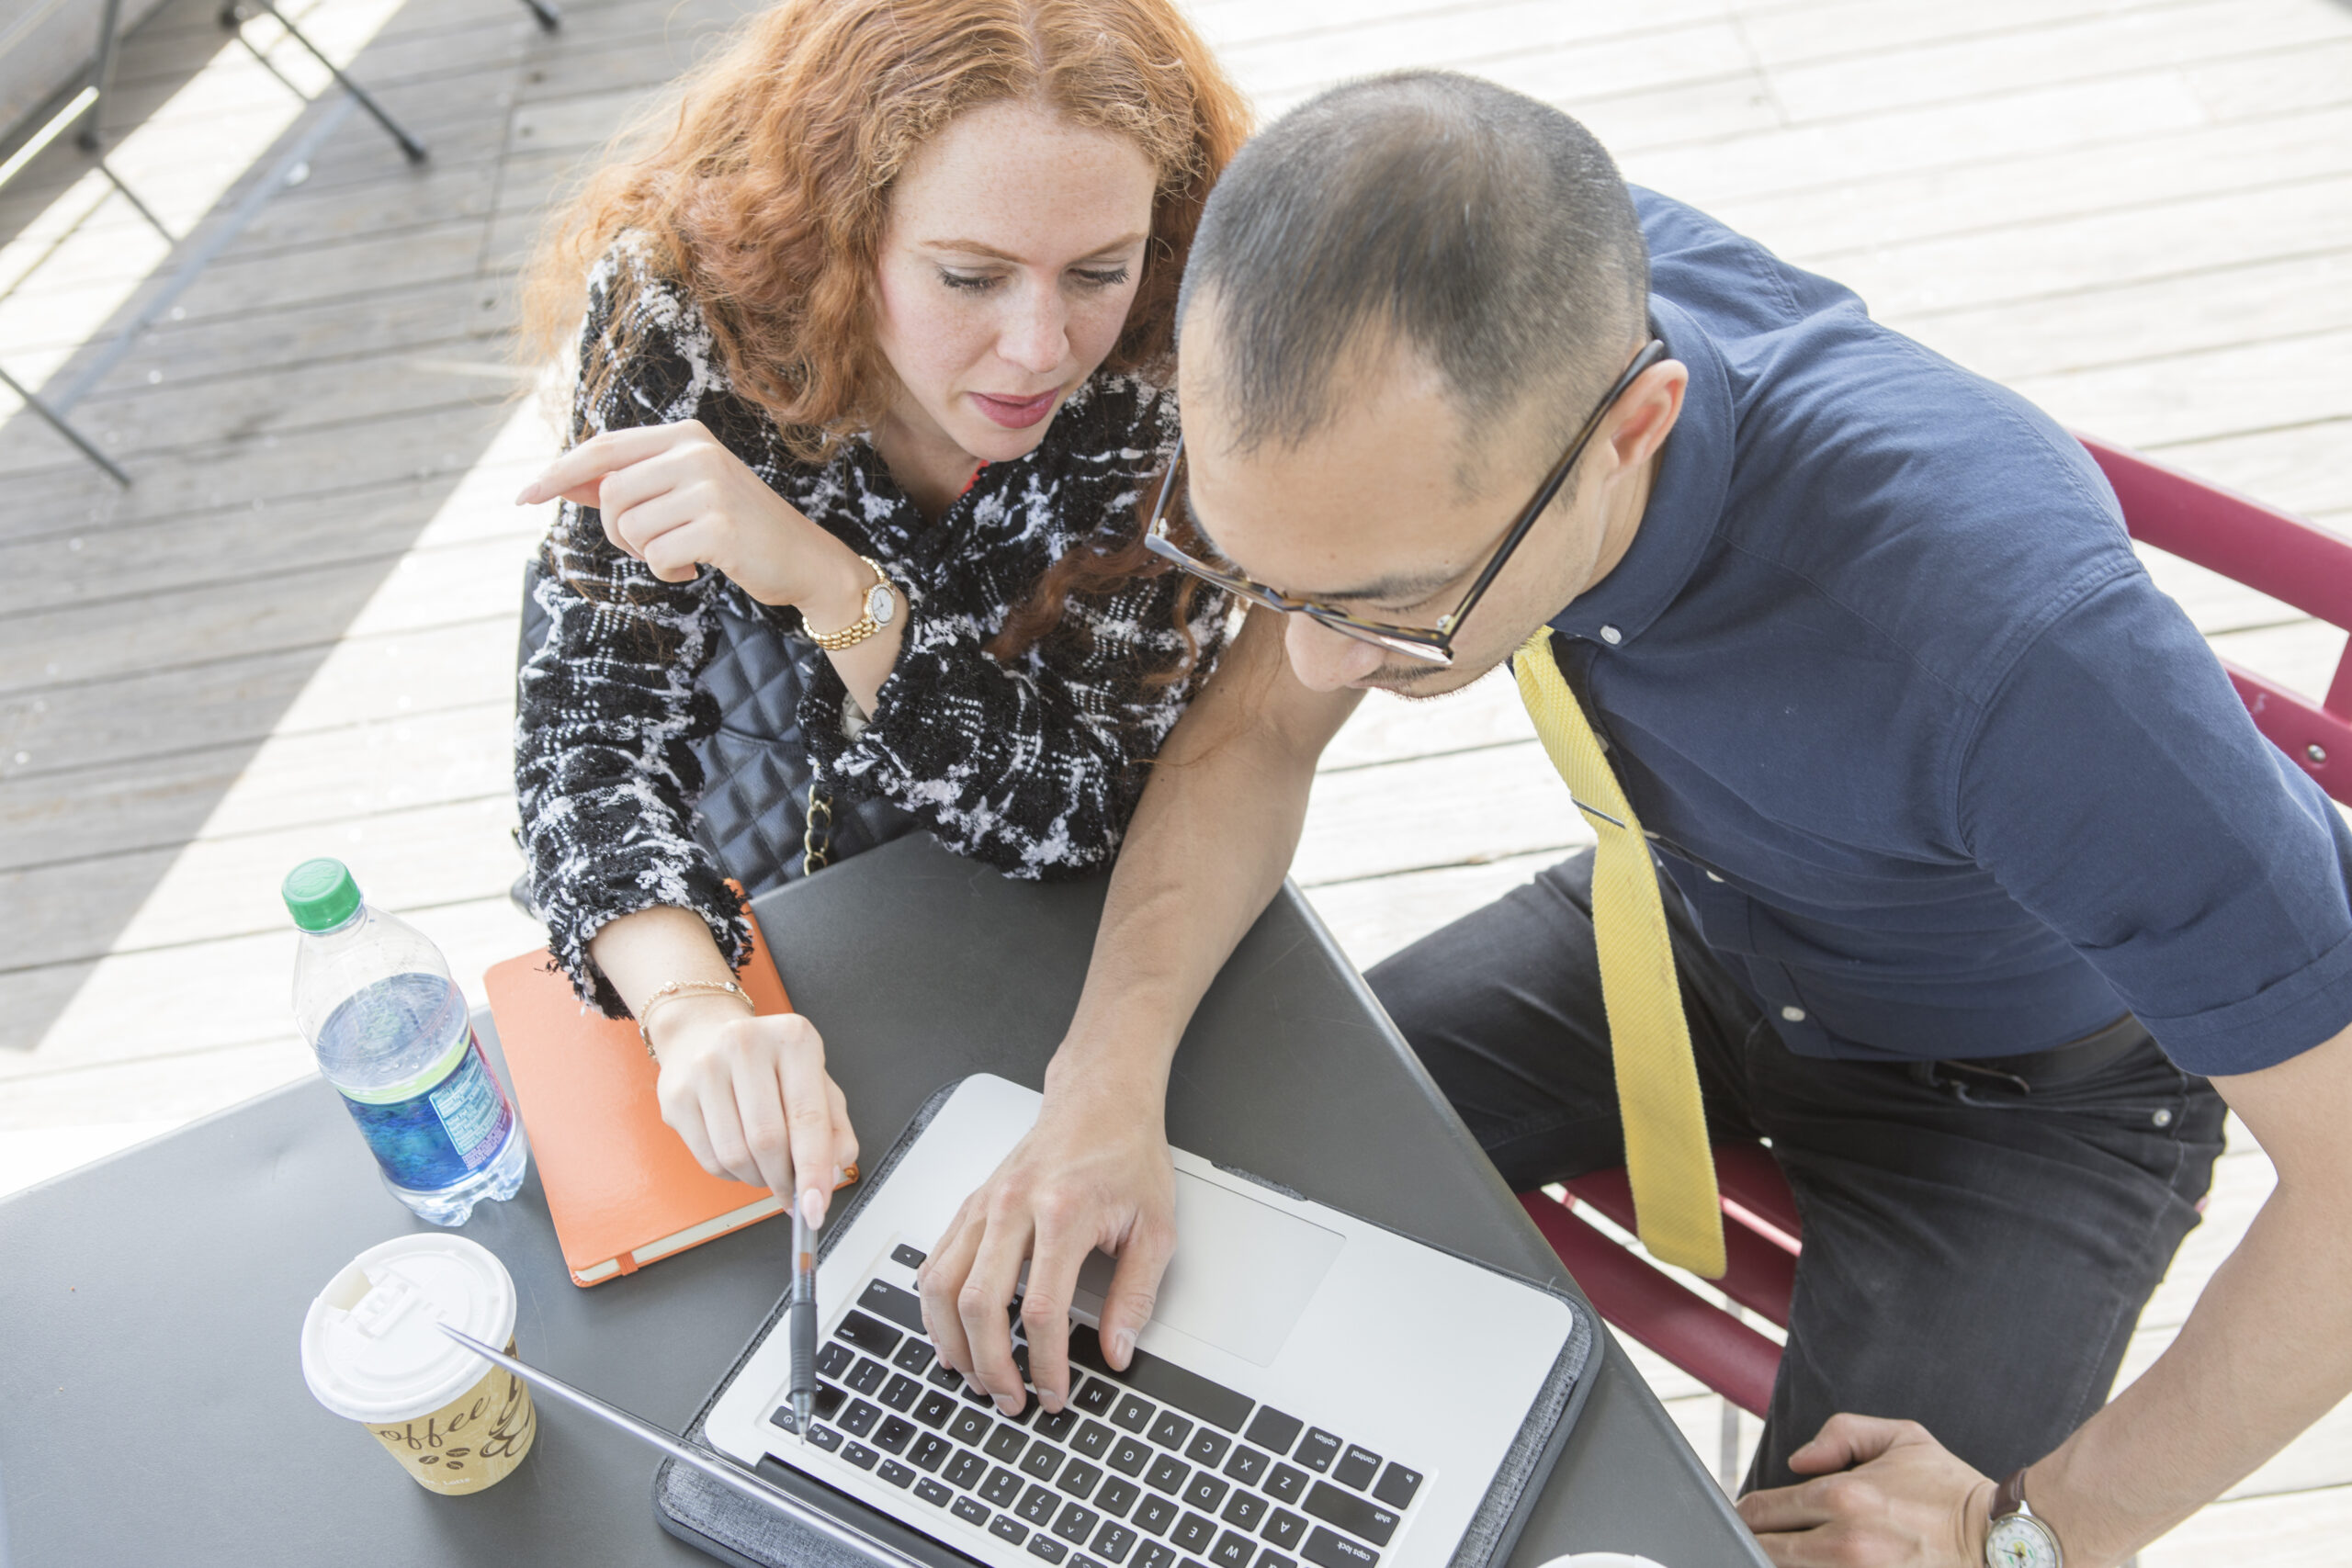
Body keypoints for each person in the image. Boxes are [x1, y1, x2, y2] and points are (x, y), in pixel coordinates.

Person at [916, 71, 2352, 1568]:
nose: (1315, 663)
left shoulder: (2026, 655)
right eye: (1256, 571)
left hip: (2018, 1098)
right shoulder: (1437, 312)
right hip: (1681, 918)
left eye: (1392, 604)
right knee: (1208, 1184)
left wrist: (2057, 1523)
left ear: (1634, 427)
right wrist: (1101, 1078)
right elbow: (1260, 729)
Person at [510, 0, 1245, 1225]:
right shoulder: (684, 312)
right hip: (713, 893)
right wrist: (694, 1014)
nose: (1037, 350)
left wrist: (836, 589)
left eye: (1098, 272)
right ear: (840, 233)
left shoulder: (1180, 365)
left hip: (1022, 953)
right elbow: (587, 730)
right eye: (969, 276)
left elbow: (1084, 816)